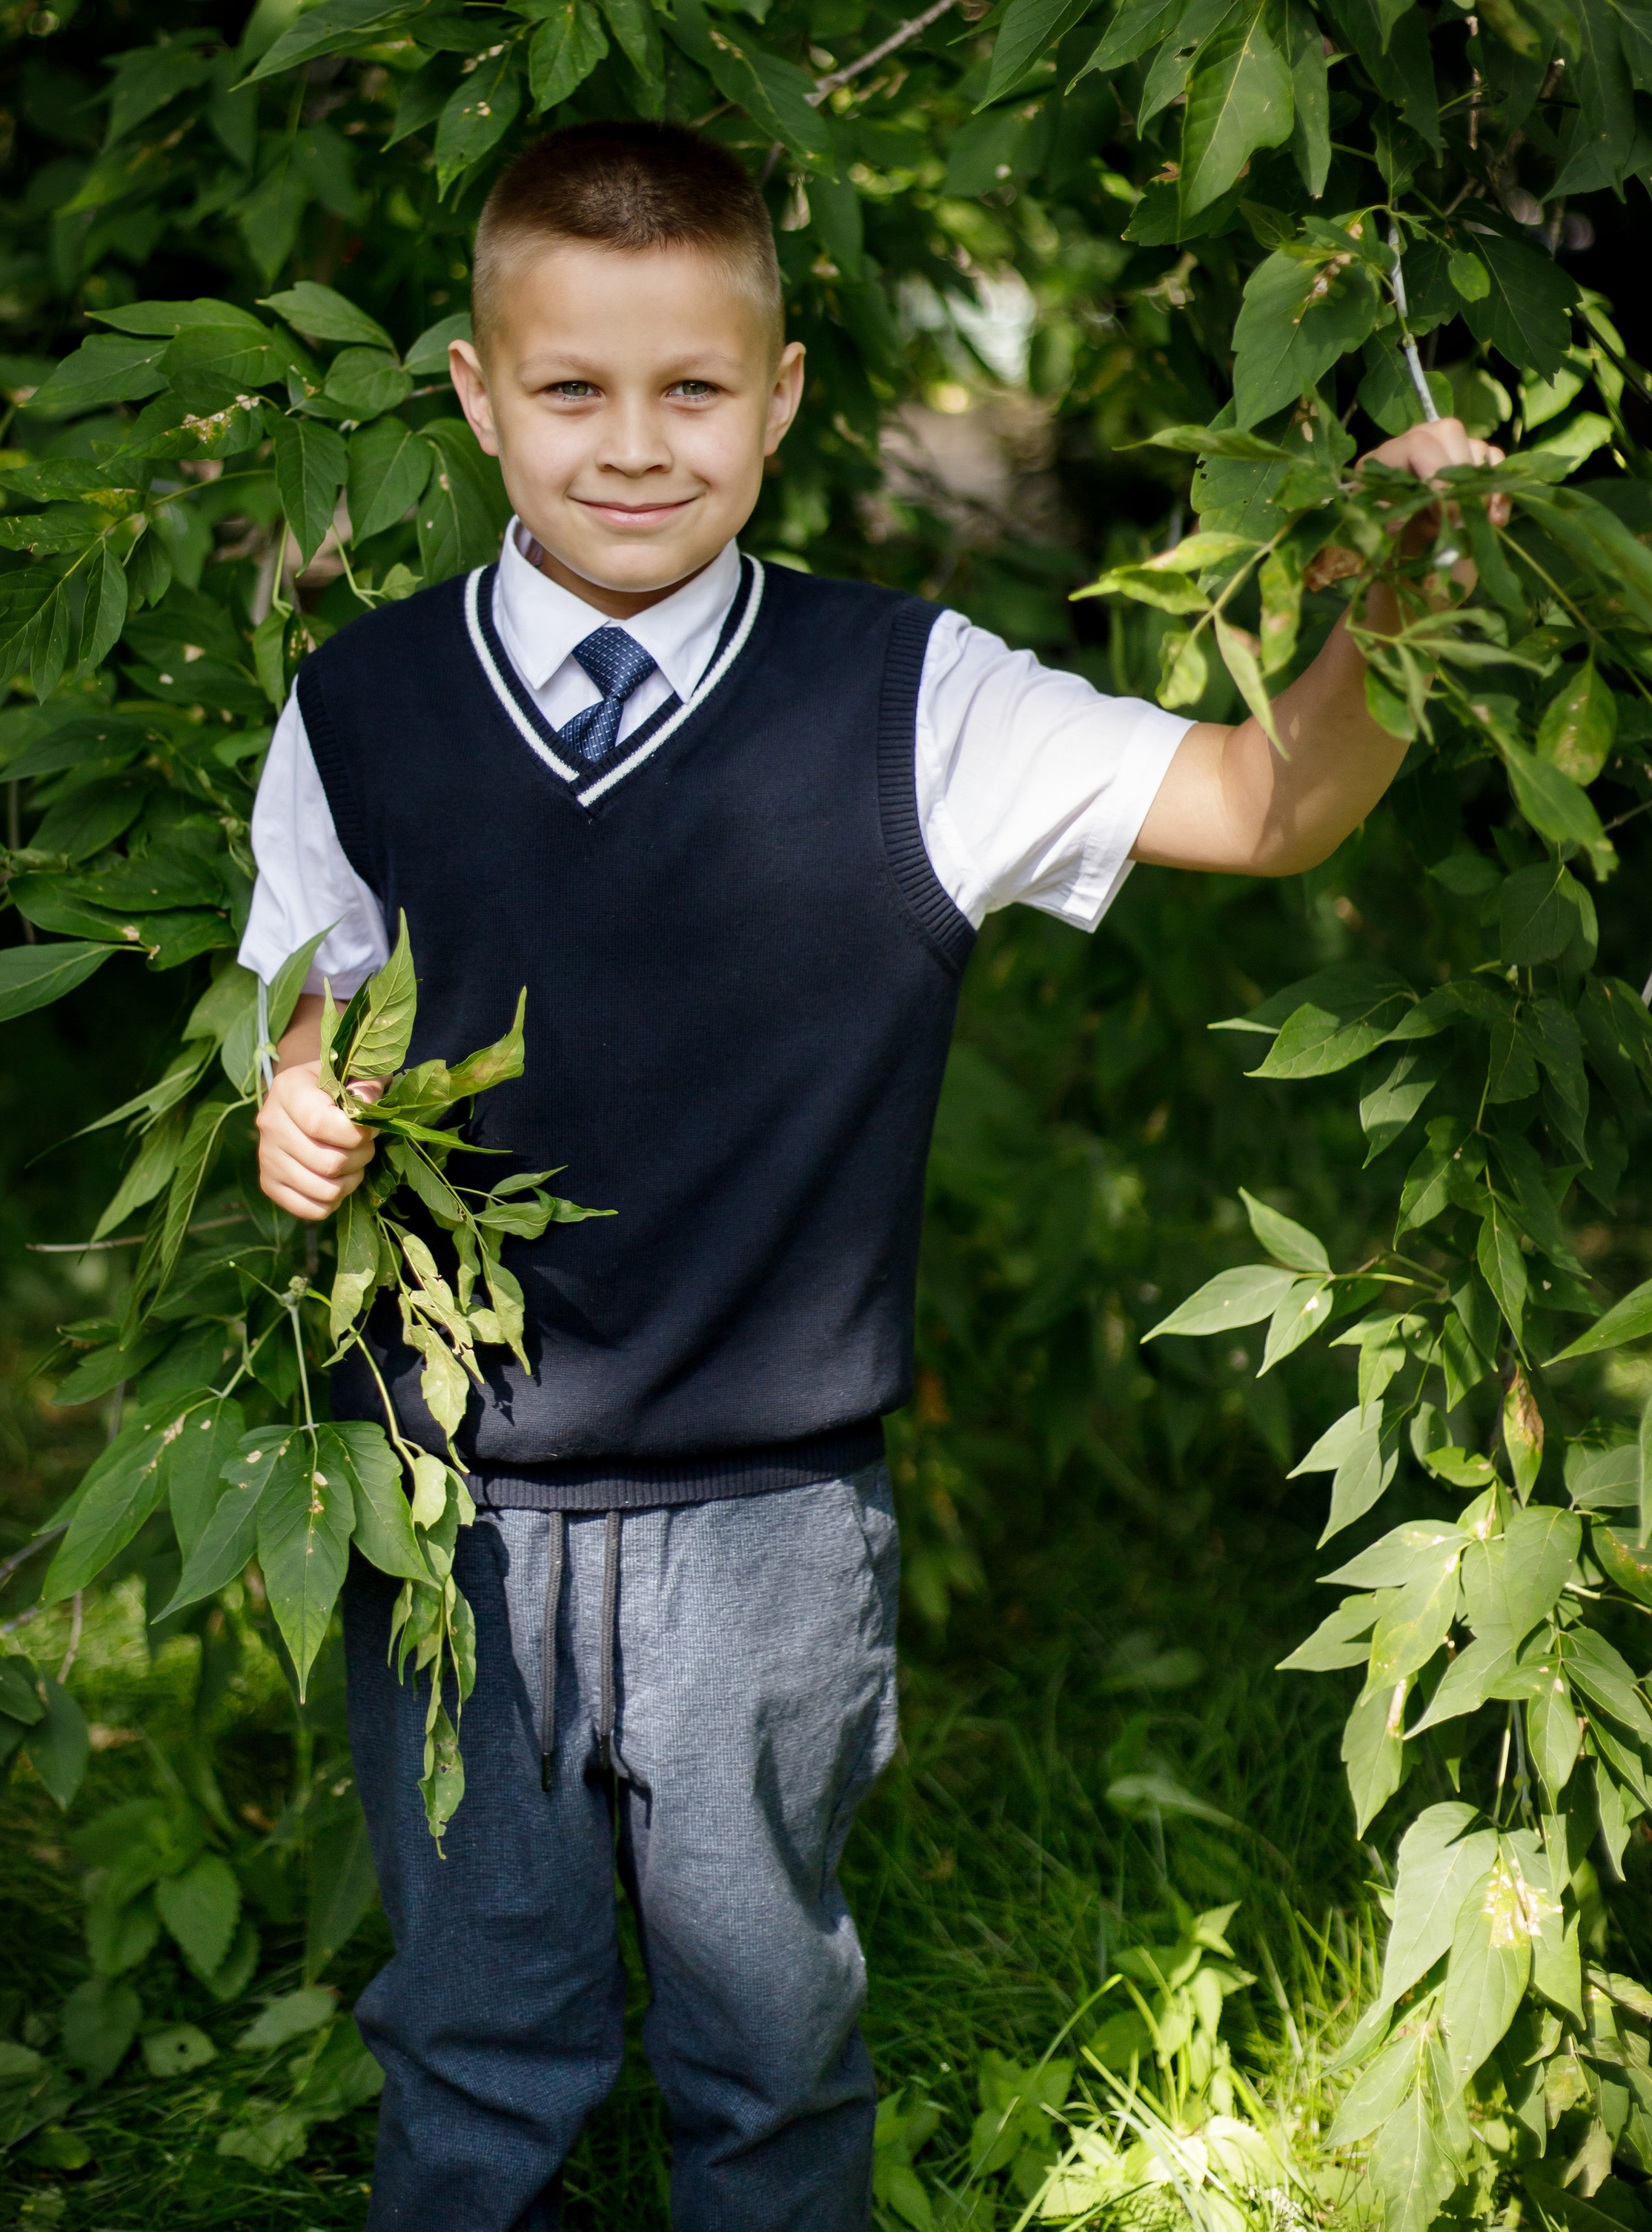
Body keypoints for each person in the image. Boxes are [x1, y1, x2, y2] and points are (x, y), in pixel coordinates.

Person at [240, 119, 1503, 2232]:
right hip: (441, 1500)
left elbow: (1264, 807)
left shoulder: (907, 698)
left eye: (692, 391)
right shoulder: (362, 706)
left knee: (768, 2038)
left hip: (766, 1515)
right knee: (476, 2030)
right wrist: (297, 1103)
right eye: (570, 390)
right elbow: (309, 995)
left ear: (785, 393)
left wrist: (1394, 598)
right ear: (478, 396)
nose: (632, 447)